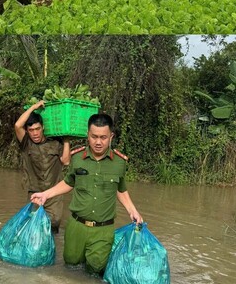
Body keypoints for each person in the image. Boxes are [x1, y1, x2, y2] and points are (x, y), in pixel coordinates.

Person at [31, 114, 142, 276]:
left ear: (111, 136)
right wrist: (46, 194)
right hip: (76, 227)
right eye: (94, 136)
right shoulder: (77, 157)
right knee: (70, 266)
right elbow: (69, 182)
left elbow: (120, 189)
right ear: (87, 135)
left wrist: (133, 211)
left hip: (103, 229)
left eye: (103, 137)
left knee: (95, 270)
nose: (98, 142)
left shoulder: (119, 162)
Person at [14, 101, 70, 233]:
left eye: (37, 129)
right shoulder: (26, 143)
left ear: (43, 127)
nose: (35, 133)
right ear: (27, 131)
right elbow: (17, 125)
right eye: (31, 130)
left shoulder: (56, 142)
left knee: (53, 225)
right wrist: (33, 107)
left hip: (54, 193)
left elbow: (66, 161)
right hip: (34, 193)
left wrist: (67, 141)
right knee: (34, 227)